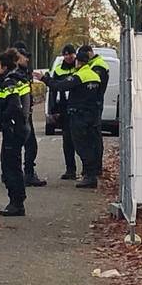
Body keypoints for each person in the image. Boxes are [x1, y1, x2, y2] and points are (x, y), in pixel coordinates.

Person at [41, 47, 104, 189]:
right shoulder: (95, 75)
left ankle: (90, 176)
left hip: (79, 116)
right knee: (90, 144)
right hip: (92, 115)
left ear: (78, 62)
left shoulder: (80, 75)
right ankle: (91, 173)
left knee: (81, 146)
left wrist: (44, 79)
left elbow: (60, 86)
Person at [0, 49, 31, 216]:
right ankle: (16, 201)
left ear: (4, 67)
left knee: (10, 166)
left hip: (13, 130)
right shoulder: (19, 79)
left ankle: (16, 203)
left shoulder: (9, 83)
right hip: (19, 128)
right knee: (12, 164)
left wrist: (0, 119)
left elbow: (13, 106)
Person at [13, 42, 47, 187]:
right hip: (19, 115)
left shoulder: (25, 71)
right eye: (24, 56)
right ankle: (26, 173)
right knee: (27, 144)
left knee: (23, 145)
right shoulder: (14, 73)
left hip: (24, 113)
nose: (27, 59)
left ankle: (17, 173)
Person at [50, 44, 79, 180]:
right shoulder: (58, 70)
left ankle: (87, 170)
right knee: (67, 141)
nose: (68, 57)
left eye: (70, 54)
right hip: (64, 108)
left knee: (80, 140)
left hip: (78, 108)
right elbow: (53, 90)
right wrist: (53, 109)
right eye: (65, 54)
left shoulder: (79, 67)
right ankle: (70, 169)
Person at [83, 44, 110, 179]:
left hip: (94, 105)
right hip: (95, 104)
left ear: (89, 53)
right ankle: (93, 168)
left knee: (94, 137)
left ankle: (96, 168)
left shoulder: (98, 66)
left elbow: (95, 87)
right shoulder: (96, 64)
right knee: (93, 137)